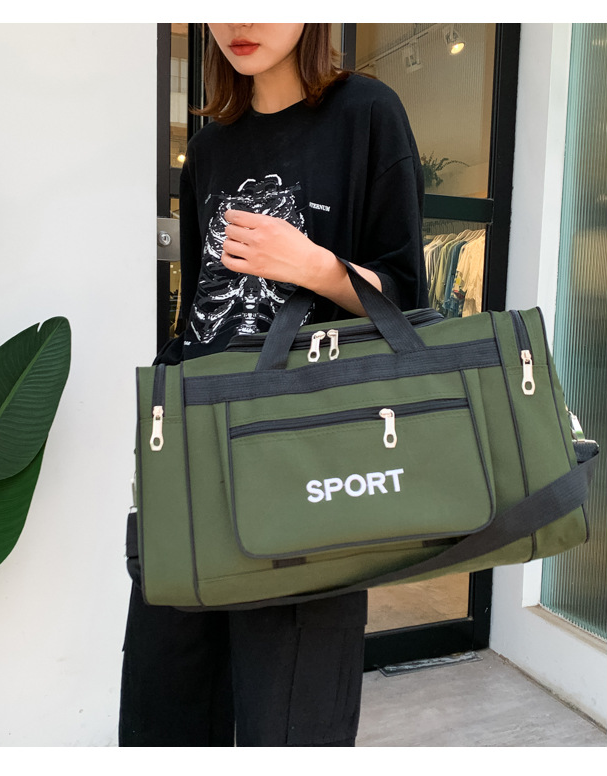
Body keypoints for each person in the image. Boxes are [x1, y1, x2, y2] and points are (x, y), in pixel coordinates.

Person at [119, 22, 428, 747]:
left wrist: (315, 266)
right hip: (197, 457)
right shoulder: (210, 147)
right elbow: (198, 308)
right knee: (166, 702)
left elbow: (408, 303)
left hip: (309, 465)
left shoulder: (365, 114)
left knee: (289, 718)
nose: (240, 23)